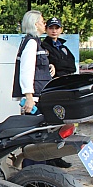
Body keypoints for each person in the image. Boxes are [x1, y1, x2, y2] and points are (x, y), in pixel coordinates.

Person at [12, 10, 57, 168]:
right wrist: (29, 97)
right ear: (35, 24)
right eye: (43, 22)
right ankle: (33, 171)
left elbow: (37, 66)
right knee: (36, 138)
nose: (45, 24)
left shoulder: (34, 42)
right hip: (35, 98)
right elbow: (26, 70)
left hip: (38, 95)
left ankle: (35, 169)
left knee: (38, 137)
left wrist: (48, 67)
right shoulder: (31, 43)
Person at [40, 17, 77, 168]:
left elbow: (71, 66)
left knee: (63, 123)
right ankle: (49, 157)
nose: (54, 31)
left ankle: (57, 155)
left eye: (57, 28)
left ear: (61, 29)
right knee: (53, 123)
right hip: (52, 89)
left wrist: (60, 69)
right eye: (51, 28)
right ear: (46, 29)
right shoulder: (43, 46)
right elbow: (49, 66)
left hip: (64, 88)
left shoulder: (63, 47)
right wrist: (58, 68)